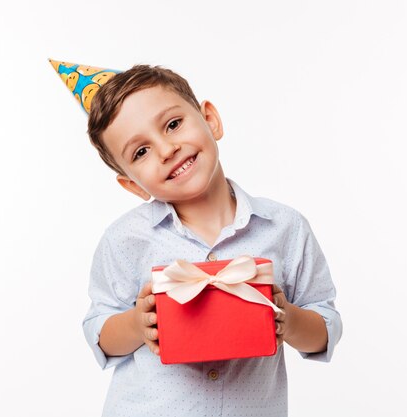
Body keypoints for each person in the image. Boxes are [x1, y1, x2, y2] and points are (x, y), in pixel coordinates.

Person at [73, 63, 342, 417]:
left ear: (210, 120)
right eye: (141, 152)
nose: (167, 149)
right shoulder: (125, 239)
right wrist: (138, 324)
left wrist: (287, 319)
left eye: (172, 124)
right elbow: (99, 331)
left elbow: (325, 328)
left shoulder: (284, 227)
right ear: (133, 185)